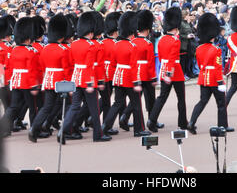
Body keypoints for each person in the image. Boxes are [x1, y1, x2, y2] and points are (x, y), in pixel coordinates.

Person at [58, 11, 111, 143]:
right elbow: (90, 66)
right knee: (94, 108)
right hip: (87, 79)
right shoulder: (91, 46)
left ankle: (63, 130)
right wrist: (90, 83)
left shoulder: (73, 44)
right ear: (90, 31)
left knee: (75, 106)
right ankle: (97, 135)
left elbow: (71, 64)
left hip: (76, 78)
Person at [102, 11, 151, 138]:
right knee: (136, 104)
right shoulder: (132, 46)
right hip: (129, 78)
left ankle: (105, 126)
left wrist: (115, 78)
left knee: (117, 103)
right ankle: (139, 129)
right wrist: (136, 82)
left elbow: (112, 64)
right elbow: (134, 67)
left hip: (118, 77)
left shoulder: (116, 45)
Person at [187, 13, 234, 135]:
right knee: (221, 104)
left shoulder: (198, 48)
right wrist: (220, 83)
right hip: (214, 79)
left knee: (202, 101)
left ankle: (191, 122)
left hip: (203, 78)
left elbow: (199, 64)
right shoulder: (216, 49)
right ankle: (222, 126)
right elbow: (218, 68)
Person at [28, 14, 72, 142]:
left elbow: (42, 66)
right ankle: (64, 131)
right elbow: (66, 69)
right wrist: (69, 84)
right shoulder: (63, 50)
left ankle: (34, 129)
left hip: (48, 79)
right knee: (68, 105)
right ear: (62, 35)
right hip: (61, 81)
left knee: (47, 107)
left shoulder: (45, 48)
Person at [119, 10, 164, 130]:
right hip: (146, 73)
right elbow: (150, 63)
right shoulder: (147, 43)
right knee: (150, 98)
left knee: (136, 98)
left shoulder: (132, 41)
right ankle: (152, 120)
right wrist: (154, 77)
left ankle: (125, 116)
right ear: (148, 29)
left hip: (135, 73)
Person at [147, 7, 188, 133]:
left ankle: (152, 120)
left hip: (164, 70)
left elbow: (161, 56)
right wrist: (170, 74)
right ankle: (182, 123)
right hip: (174, 71)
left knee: (161, 98)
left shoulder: (162, 39)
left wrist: (166, 73)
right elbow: (172, 58)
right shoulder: (175, 40)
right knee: (181, 99)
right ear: (176, 27)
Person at [1, 17, 40, 136]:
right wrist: (34, 84)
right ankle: (34, 131)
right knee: (33, 108)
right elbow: (32, 70)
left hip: (15, 81)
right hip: (27, 83)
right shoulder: (31, 51)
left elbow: (9, 66)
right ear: (29, 38)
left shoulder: (14, 50)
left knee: (13, 107)